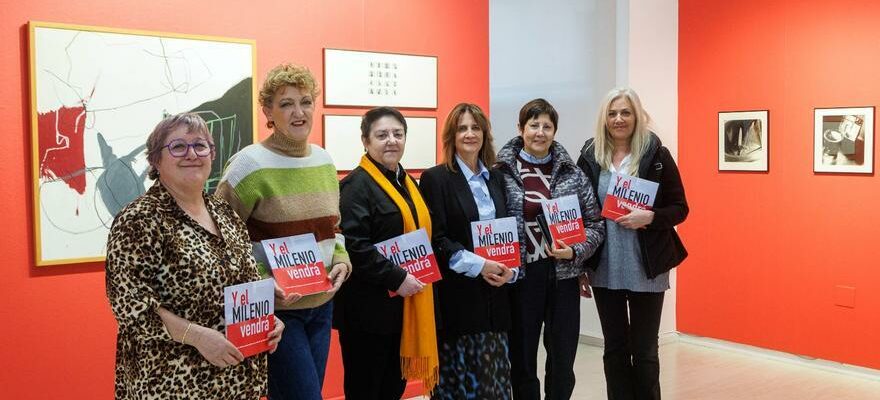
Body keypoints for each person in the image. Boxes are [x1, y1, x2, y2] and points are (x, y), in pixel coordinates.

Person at [105, 113, 284, 400]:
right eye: (178, 146)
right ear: (155, 160)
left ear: (212, 154)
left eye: (200, 146)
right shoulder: (138, 220)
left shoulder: (225, 214)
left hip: (235, 379)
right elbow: (132, 307)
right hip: (171, 382)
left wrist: (269, 320)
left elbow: (247, 282)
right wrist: (197, 336)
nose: (191, 154)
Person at [216, 63, 351, 400]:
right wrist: (261, 281)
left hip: (322, 305)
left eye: (305, 102)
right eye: (286, 103)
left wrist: (342, 259)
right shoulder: (249, 164)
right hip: (276, 311)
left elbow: (334, 228)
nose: (298, 112)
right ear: (268, 112)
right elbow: (218, 238)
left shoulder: (324, 160)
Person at [577, 87, 688, 400]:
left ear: (637, 116)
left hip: (646, 268)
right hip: (605, 267)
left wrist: (649, 217)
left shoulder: (657, 155)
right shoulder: (589, 155)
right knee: (614, 349)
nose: (619, 119)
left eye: (625, 112)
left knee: (645, 351)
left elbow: (680, 208)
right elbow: (579, 213)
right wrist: (583, 264)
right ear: (604, 119)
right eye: (612, 113)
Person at [495, 98, 605, 400]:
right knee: (522, 357)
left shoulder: (572, 173)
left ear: (555, 130)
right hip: (520, 278)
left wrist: (575, 252)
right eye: (533, 125)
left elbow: (596, 224)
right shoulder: (499, 172)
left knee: (562, 358)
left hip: (563, 278)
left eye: (547, 126)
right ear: (520, 129)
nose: (540, 132)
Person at [334, 106, 439, 399]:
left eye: (398, 134)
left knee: (393, 388)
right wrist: (396, 278)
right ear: (366, 141)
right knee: (367, 389)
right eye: (381, 135)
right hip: (368, 312)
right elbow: (354, 245)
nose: (391, 140)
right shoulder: (356, 186)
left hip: (402, 308)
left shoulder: (407, 183)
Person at [419, 103, 515, 399]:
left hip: (496, 299)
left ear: (485, 134)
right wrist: (480, 265)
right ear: (452, 135)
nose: (470, 134)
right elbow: (438, 240)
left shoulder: (497, 178)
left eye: (476, 128)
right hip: (458, 300)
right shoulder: (436, 179)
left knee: (494, 383)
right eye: (462, 128)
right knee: (460, 386)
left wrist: (510, 270)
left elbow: (508, 233)